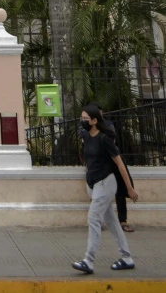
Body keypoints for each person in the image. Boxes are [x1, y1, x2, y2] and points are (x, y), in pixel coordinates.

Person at [72, 104, 138, 275]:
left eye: (85, 119)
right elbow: (89, 162)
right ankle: (127, 258)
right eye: (81, 118)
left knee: (93, 217)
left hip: (106, 183)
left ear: (94, 121)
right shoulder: (86, 136)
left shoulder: (104, 139)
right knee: (111, 222)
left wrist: (130, 189)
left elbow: (119, 164)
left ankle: (89, 260)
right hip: (94, 184)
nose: (82, 122)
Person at [80, 102, 135, 233]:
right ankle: (100, 223)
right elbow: (85, 144)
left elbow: (114, 149)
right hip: (96, 170)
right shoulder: (86, 130)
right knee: (96, 197)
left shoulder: (107, 129)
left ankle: (123, 221)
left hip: (109, 164)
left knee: (119, 192)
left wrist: (130, 189)